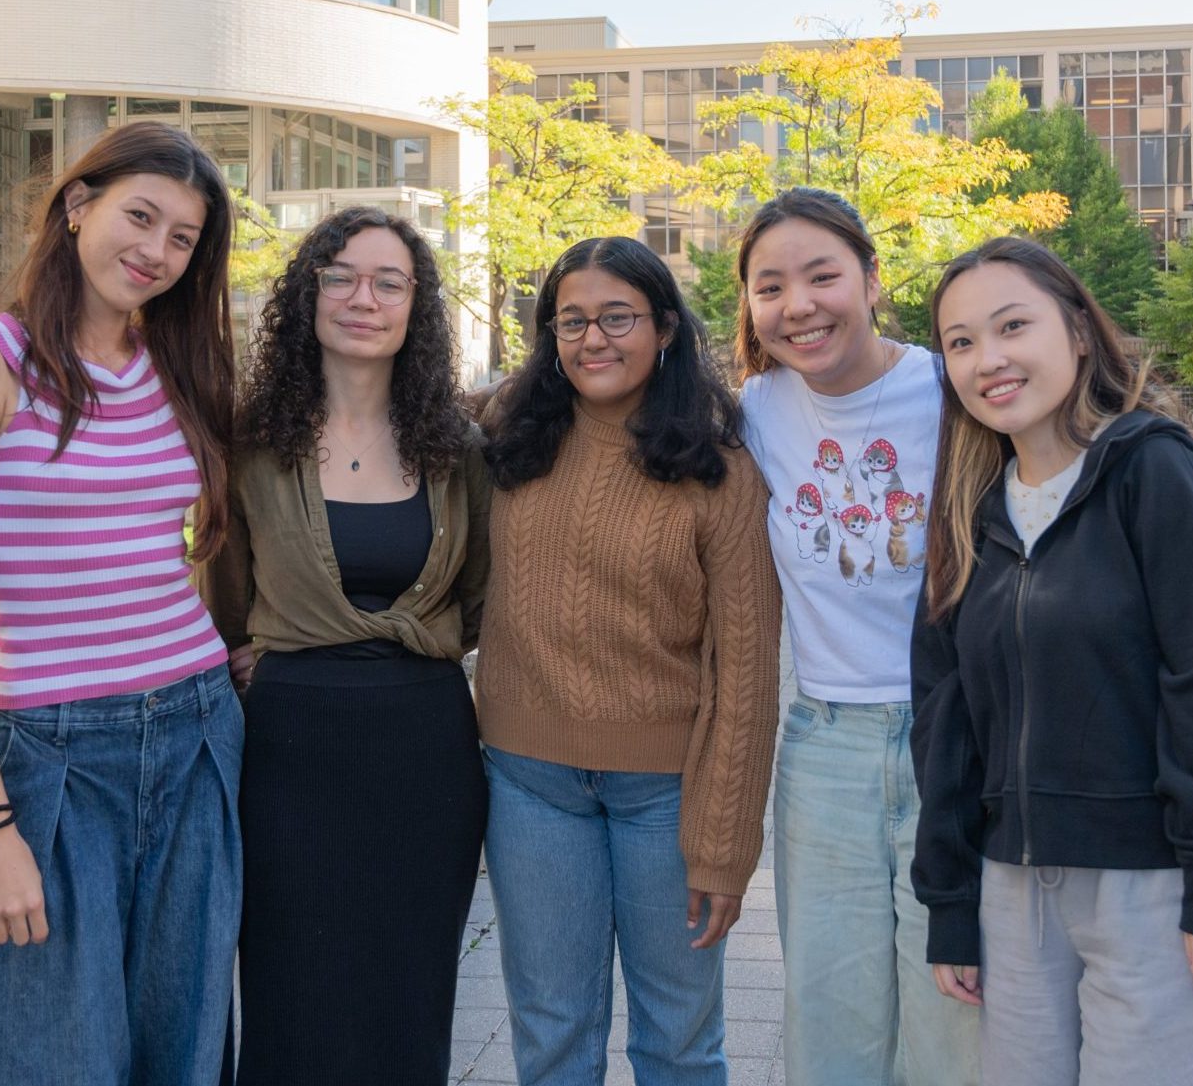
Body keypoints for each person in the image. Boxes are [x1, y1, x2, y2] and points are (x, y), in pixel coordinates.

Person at [910, 236, 1193, 1085]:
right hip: (1016, 890)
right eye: (961, 342)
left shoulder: (1150, 470)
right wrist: (952, 904)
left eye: (1012, 326)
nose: (988, 359)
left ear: (1079, 332)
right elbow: (947, 718)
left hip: (1159, 882)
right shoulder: (970, 515)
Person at [0, 121, 242, 1086]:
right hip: (55, 760)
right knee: (54, 1058)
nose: (157, 250)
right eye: (141, 216)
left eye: (183, 238)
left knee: (183, 1054)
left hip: (198, 733)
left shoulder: (176, 363)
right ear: (75, 206)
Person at [475, 236, 780, 1086]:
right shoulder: (508, 438)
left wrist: (726, 845)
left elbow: (748, 674)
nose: (592, 339)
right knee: (552, 1034)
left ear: (667, 330)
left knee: (679, 1042)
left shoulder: (719, 470)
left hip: (666, 796)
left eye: (617, 317)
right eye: (570, 321)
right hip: (530, 786)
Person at [199, 206, 489, 1085]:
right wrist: (279, 648)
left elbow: (477, 600)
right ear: (308, 294)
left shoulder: (456, 446)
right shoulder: (248, 441)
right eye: (341, 277)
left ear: (416, 305)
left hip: (425, 751)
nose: (364, 298)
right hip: (291, 751)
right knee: (293, 997)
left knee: (410, 997)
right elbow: (224, 595)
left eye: (388, 281)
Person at [734, 187, 980, 1085]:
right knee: (830, 1029)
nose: (798, 305)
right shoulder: (753, 412)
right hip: (823, 749)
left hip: (954, 742)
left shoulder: (953, 387)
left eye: (822, 275)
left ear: (873, 281)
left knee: (956, 1022)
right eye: (770, 287)